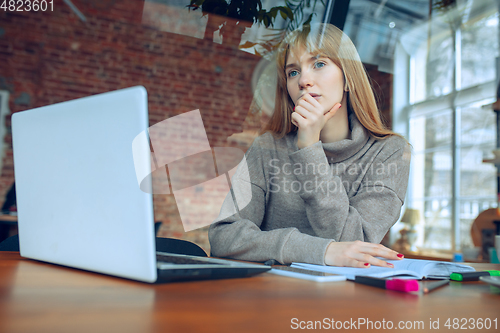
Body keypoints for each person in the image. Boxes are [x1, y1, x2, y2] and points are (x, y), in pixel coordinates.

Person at [209, 23, 411, 268]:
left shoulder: (389, 151)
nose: (304, 80)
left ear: (348, 79)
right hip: (268, 297)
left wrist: (309, 149)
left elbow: (353, 243)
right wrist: (319, 251)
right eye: (293, 72)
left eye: (319, 64)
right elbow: (223, 237)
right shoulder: (267, 147)